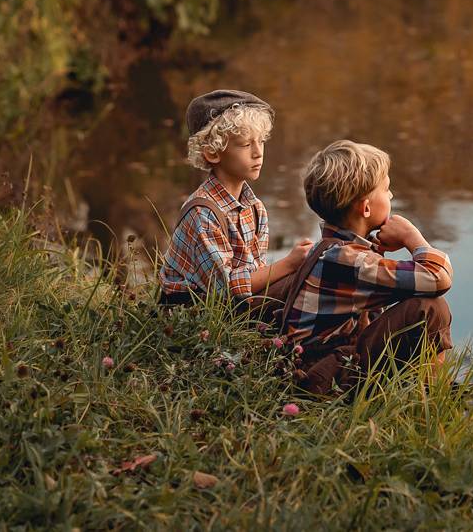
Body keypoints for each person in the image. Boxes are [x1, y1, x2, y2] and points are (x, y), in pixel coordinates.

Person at [280, 139, 453, 393]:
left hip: (318, 364)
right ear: (366, 207)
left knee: (417, 303)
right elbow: (438, 277)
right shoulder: (349, 260)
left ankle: (422, 389)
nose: (391, 196)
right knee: (431, 309)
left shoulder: (332, 249)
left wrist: (379, 249)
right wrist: (412, 237)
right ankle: (434, 396)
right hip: (319, 378)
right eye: (387, 189)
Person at [158, 89, 313, 310]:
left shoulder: (255, 208)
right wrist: (289, 263)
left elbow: (257, 273)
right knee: (298, 285)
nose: (258, 153)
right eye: (245, 145)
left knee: (310, 277)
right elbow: (225, 289)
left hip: (234, 305)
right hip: (194, 314)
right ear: (213, 153)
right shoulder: (202, 213)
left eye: (261, 141)